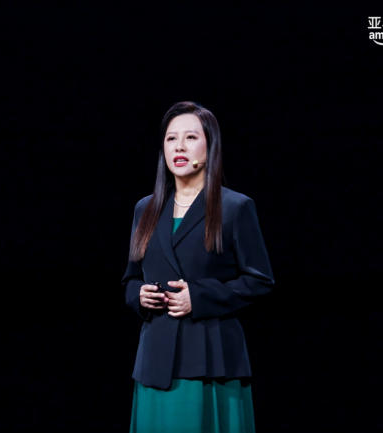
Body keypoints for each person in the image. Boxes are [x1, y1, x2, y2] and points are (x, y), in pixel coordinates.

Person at [122, 101, 274, 432]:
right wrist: (139, 296)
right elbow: (130, 280)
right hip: (154, 360)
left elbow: (260, 280)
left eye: (190, 137)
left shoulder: (235, 207)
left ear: (210, 144)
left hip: (211, 358)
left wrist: (199, 297)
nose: (179, 146)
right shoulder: (145, 209)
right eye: (171, 138)